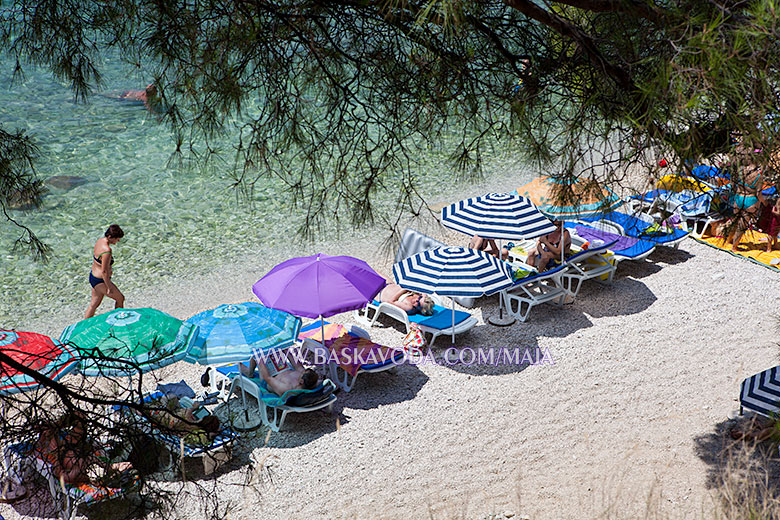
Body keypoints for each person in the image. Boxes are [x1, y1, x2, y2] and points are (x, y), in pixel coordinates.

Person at [35, 412, 134, 486]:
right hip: (75, 446)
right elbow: (125, 465)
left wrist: (57, 455)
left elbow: (58, 472)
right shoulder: (95, 462)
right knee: (80, 416)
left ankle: (49, 428)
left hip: (61, 450)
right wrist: (119, 470)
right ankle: (55, 425)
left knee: (48, 434)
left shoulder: (76, 473)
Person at [725, 143, 767, 252]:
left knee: (734, 220)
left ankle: (728, 240)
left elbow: (733, 185)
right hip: (750, 200)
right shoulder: (758, 175)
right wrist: (765, 203)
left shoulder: (740, 170)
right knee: (742, 225)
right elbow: (758, 193)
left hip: (739, 197)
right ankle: (734, 247)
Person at [85, 224, 125, 319]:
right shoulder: (107, 251)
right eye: (117, 238)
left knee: (93, 304)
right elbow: (104, 271)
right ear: (110, 237)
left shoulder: (100, 241)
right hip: (101, 281)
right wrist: (109, 286)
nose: (118, 240)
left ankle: (84, 326)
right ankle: (118, 321)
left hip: (93, 277)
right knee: (120, 298)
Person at [239, 351, 319, 397]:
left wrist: (259, 358)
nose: (302, 371)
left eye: (302, 373)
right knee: (272, 351)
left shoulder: (286, 388)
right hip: (282, 368)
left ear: (301, 381)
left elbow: (267, 378)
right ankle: (250, 370)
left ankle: (249, 373)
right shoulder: (308, 379)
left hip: (270, 377)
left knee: (258, 352)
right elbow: (297, 366)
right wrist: (286, 350)